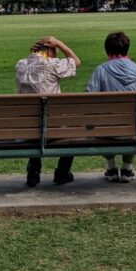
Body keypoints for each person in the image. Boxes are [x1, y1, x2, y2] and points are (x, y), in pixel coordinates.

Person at [15, 35, 81, 187]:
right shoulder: (52, 64)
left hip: (27, 128)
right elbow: (76, 62)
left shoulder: (20, 64)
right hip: (54, 127)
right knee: (73, 128)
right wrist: (60, 43)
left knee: (35, 124)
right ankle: (62, 173)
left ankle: (33, 171)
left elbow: (32, 60)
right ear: (50, 52)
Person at [86, 30, 136, 183]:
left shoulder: (101, 70)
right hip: (133, 130)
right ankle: (127, 169)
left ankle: (111, 168)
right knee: (135, 122)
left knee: (98, 125)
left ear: (107, 50)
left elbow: (88, 99)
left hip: (107, 130)